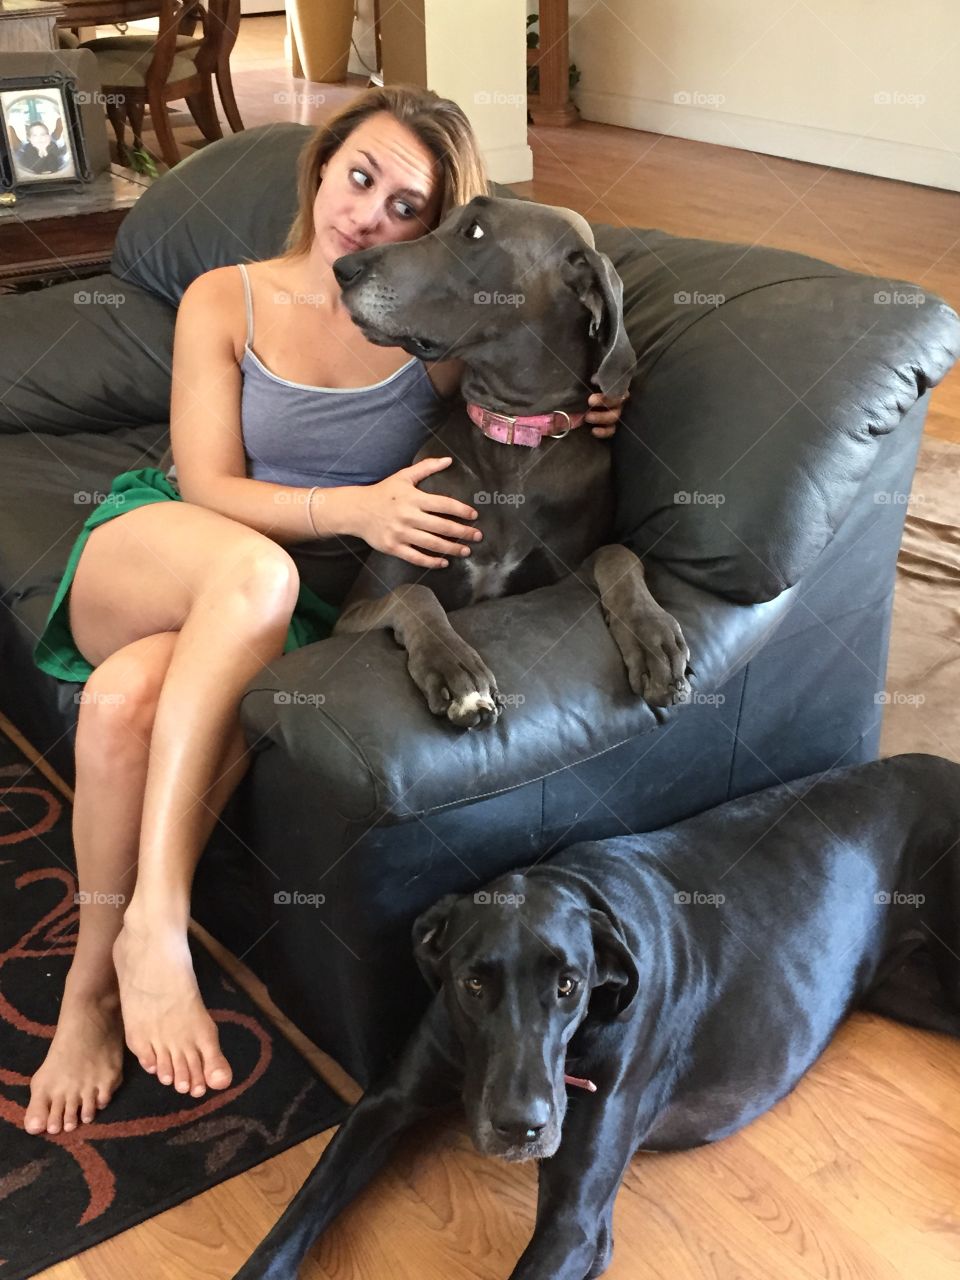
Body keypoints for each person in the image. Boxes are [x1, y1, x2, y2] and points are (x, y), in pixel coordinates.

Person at [23, 85, 626, 1137]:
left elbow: (543, 345)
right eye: (361, 177)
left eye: (406, 207)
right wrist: (357, 508)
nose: (371, 214)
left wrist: (604, 383)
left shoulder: (429, 332)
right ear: (320, 169)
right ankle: (157, 929)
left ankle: (86, 990)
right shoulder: (227, 294)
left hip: (286, 603)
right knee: (253, 574)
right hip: (162, 542)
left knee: (125, 704)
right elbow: (206, 484)